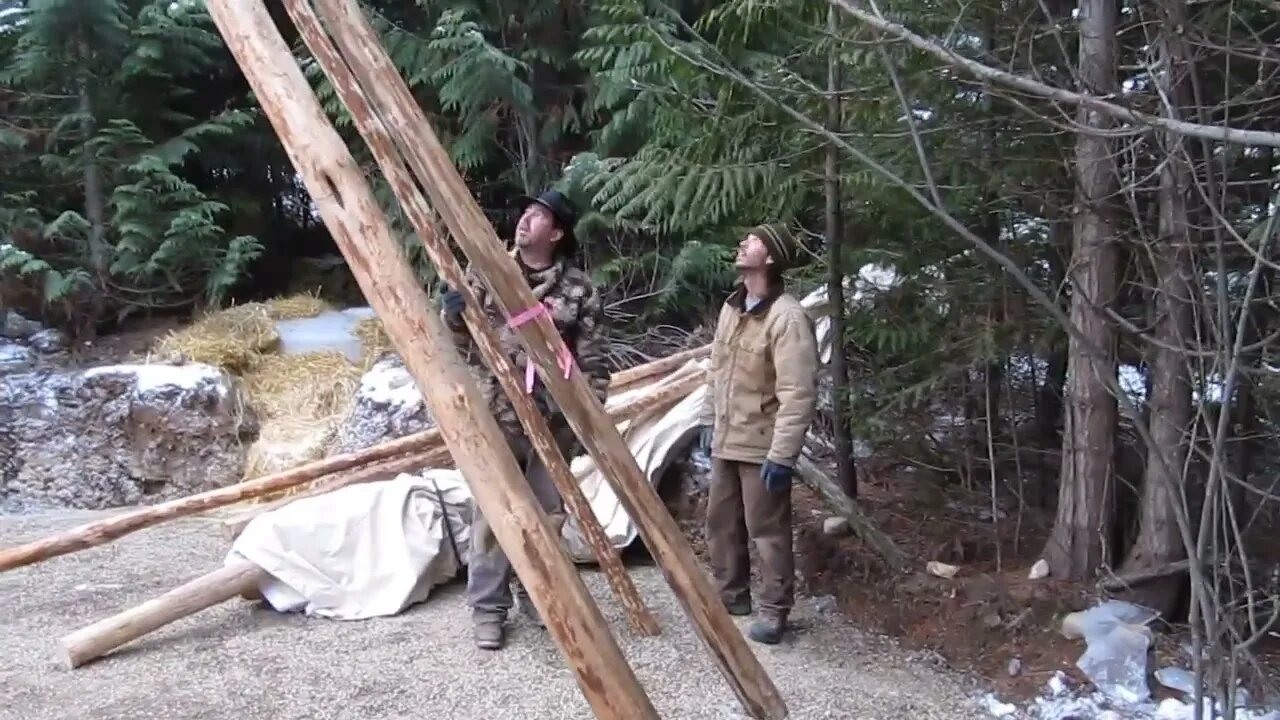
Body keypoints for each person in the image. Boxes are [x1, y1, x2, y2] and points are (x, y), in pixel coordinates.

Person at [438, 188, 611, 651]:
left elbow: (593, 361)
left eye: (539, 217)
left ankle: (538, 595)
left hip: (552, 421)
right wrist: (453, 316)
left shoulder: (578, 289)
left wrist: (588, 422)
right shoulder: (487, 272)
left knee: (548, 516)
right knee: (493, 513)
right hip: (497, 411)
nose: (525, 221)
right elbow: (459, 345)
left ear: (556, 233)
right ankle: (488, 609)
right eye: (526, 212)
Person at [695, 223, 819, 645]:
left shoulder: (787, 317)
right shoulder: (733, 307)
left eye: (753, 240)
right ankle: (732, 596)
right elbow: (716, 369)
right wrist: (708, 419)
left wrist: (782, 456)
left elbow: (798, 392)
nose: (742, 242)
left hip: (762, 444)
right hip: (727, 438)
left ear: (769, 258)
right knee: (720, 523)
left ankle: (773, 609)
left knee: (766, 530)